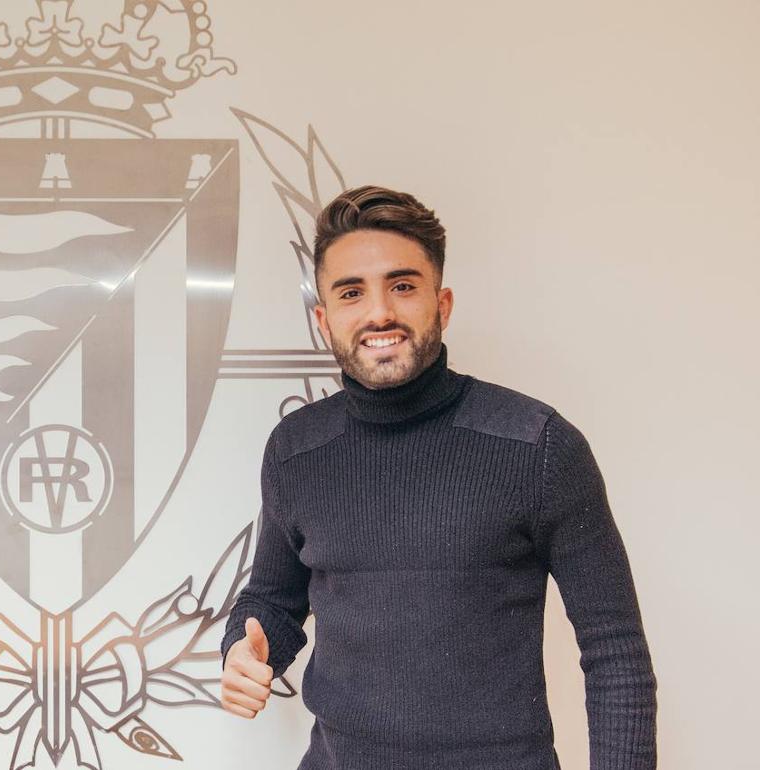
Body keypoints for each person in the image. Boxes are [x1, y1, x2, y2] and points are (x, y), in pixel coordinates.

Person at [219, 186, 657, 769]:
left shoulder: (539, 446)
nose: (379, 312)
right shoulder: (296, 450)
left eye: (402, 286)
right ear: (324, 320)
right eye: (351, 292)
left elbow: (615, 652)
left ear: (442, 305)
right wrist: (244, 651)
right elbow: (273, 598)